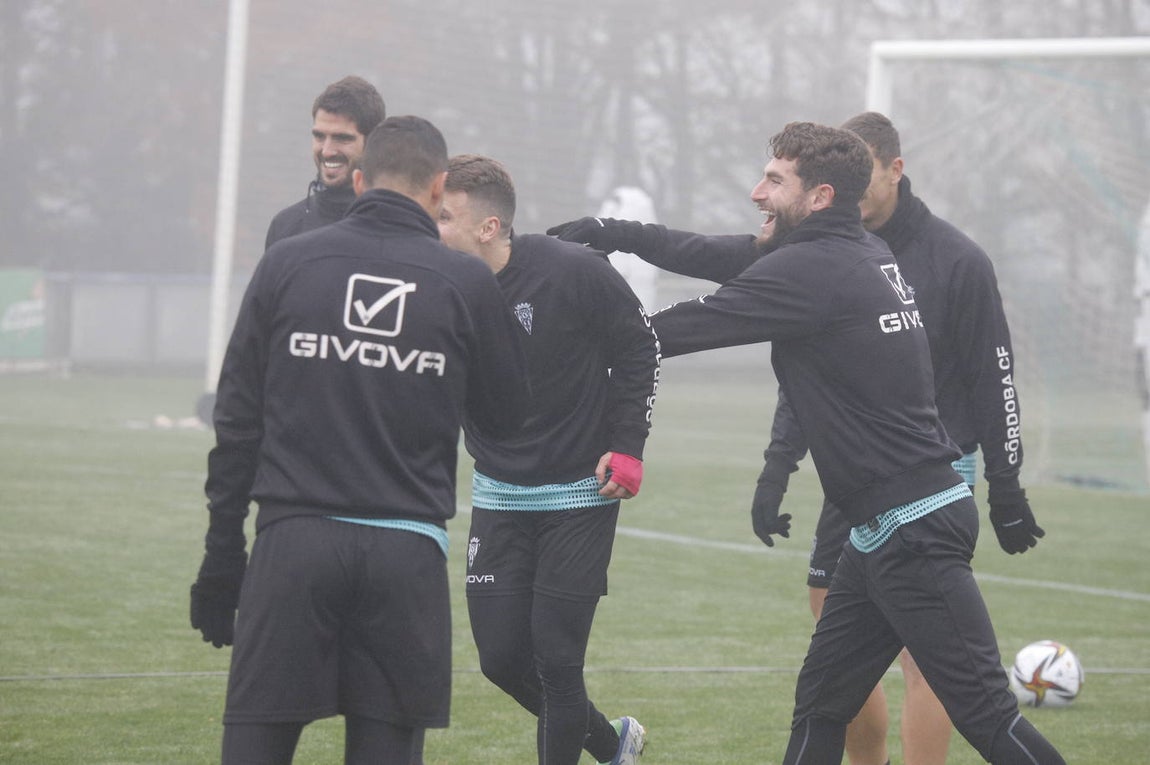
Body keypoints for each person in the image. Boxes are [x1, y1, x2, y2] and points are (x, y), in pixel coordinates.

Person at [551, 121, 1062, 764]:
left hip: (914, 529)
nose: (755, 192)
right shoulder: (852, 251)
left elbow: (669, 332)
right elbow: (715, 252)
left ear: (819, 196)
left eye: (773, 180)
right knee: (822, 707)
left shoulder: (815, 270)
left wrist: (557, 324)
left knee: (989, 720)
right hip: (878, 531)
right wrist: (615, 235)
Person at [189, 116, 529, 765]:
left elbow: (236, 420)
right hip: (407, 557)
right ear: (437, 188)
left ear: (363, 179)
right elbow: (509, 417)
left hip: (293, 547)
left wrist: (221, 554)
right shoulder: (465, 282)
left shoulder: (288, 263)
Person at [437, 154, 660, 765]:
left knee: (558, 663)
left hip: (580, 494)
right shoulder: (442, 284)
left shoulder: (572, 270)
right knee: (502, 660)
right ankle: (613, 743)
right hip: (498, 495)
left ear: (488, 227)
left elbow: (640, 348)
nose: (432, 227)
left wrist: (628, 447)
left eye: (444, 216)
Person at [264, 75, 386, 248]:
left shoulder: (396, 229)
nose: (327, 151)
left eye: (342, 138)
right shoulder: (286, 227)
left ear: (372, 142)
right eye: (319, 136)